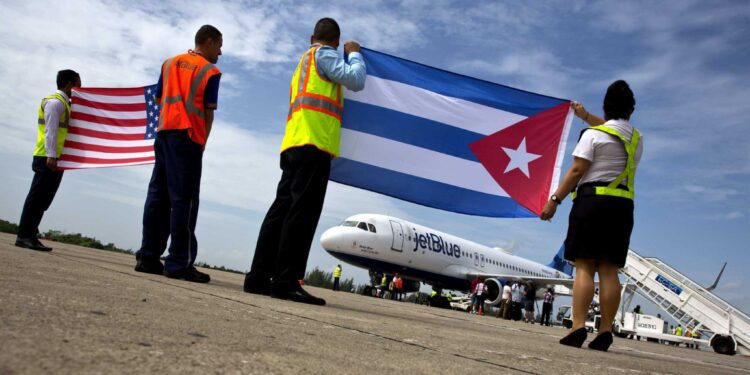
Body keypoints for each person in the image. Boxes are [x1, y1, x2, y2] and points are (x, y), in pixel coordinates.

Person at [242, 18, 366, 306]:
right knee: (302, 213)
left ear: (312, 36)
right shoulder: (324, 55)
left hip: (293, 142)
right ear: (335, 41)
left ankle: (258, 277)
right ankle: (285, 281)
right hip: (314, 143)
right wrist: (356, 53)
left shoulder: (302, 63)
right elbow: (356, 80)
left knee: (280, 210)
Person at [541, 80, 643, 352]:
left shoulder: (593, 136)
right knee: (609, 270)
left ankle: (578, 327)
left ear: (605, 107)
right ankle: (605, 330)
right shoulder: (636, 140)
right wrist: (585, 116)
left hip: (592, 203)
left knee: (584, 266)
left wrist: (554, 201)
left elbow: (576, 171)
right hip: (622, 207)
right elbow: (612, 129)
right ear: (631, 110)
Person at [134, 25, 223, 283]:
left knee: (158, 195)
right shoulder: (210, 71)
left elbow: (158, 99)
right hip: (188, 138)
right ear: (208, 42)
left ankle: (148, 256)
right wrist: (202, 142)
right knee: (184, 200)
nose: (220, 51)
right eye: (219, 45)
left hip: (164, 132)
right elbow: (208, 111)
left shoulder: (169, 63)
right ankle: (178, 262)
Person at [15, 70, 81, 252]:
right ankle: (24, 235)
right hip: (47, 156)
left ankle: (31, 234)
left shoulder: (65, 104)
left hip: (56, 158)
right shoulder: (55, 103)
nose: (79, 90)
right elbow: (50, 131)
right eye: (78, 85)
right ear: (69, 84)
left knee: (44, 199)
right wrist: (51, 155)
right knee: (37, 197)